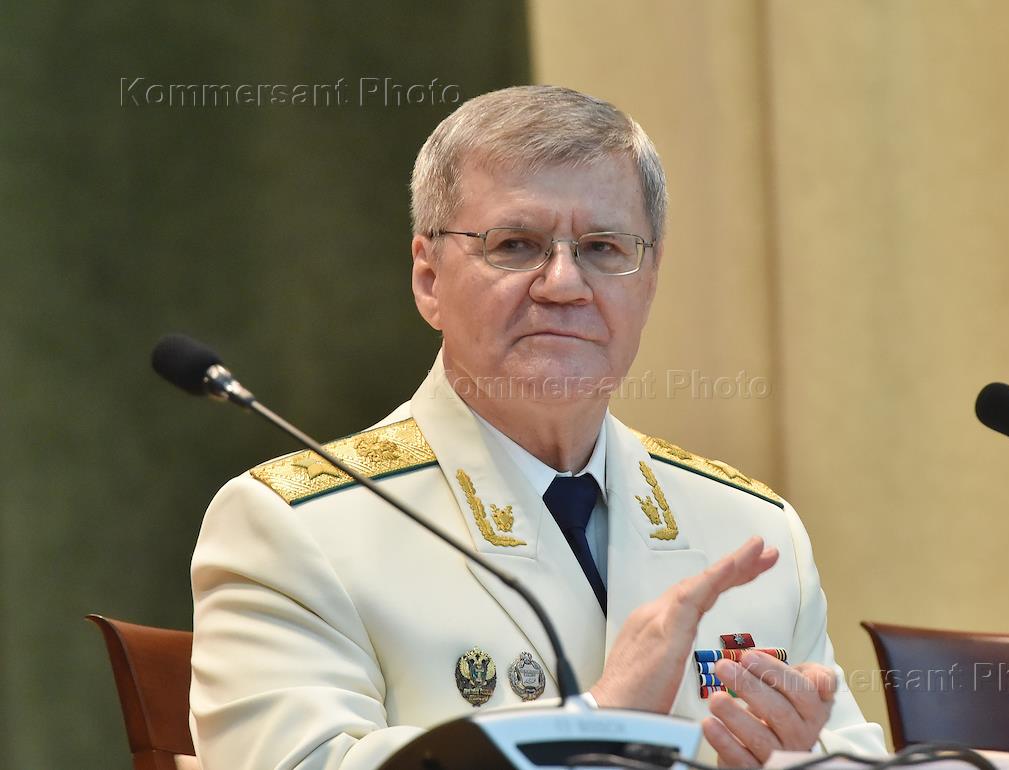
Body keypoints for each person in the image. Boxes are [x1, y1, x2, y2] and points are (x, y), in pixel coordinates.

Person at [189, 84, 885, 769]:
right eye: (516, 245)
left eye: (604, 248)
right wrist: (595, 730)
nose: (563, 283)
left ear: (650, 276)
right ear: (429, 279)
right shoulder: (299, 527)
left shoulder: (750, 530)